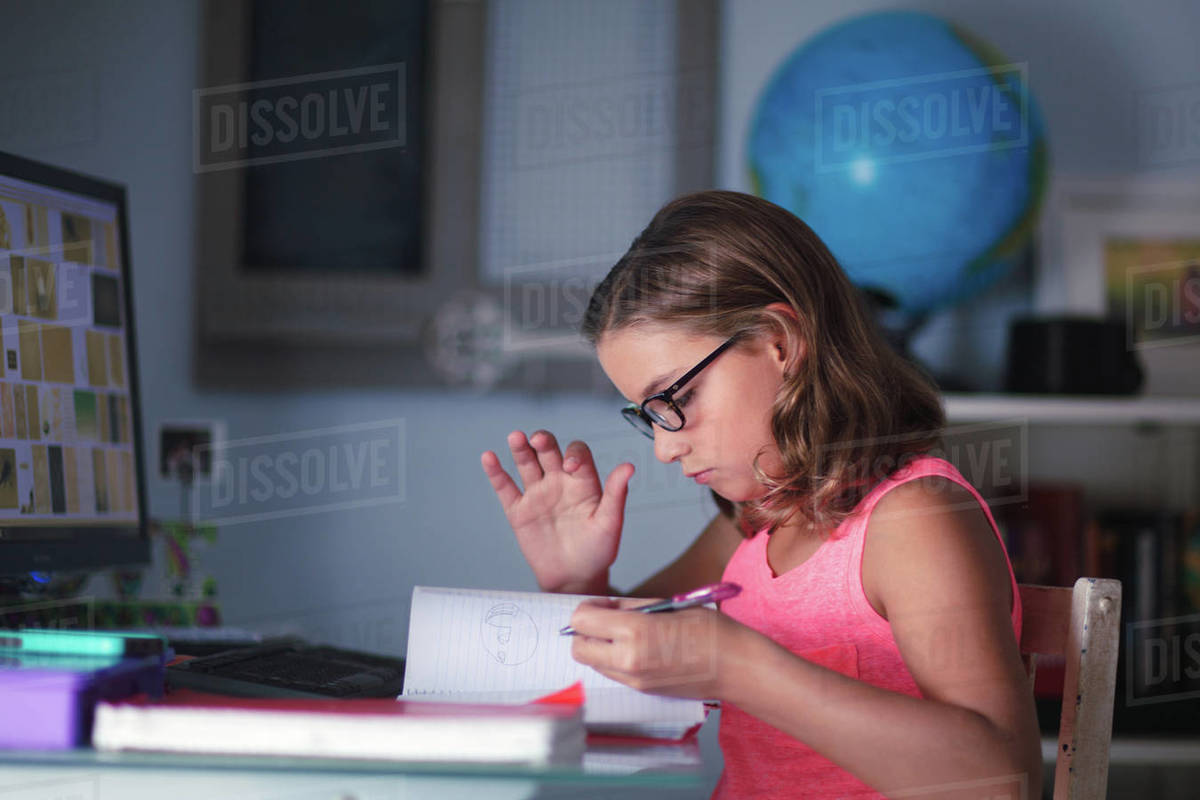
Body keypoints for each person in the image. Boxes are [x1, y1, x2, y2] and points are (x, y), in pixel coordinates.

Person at [480, 190, 1041, 799]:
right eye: (649, 416)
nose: (665, 449)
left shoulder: (914, 519)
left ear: (780, 342)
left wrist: (739, 668)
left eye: (677, 399)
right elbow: (626, 671)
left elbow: (1000, 784)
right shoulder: (753, 524)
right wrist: (576, 583)